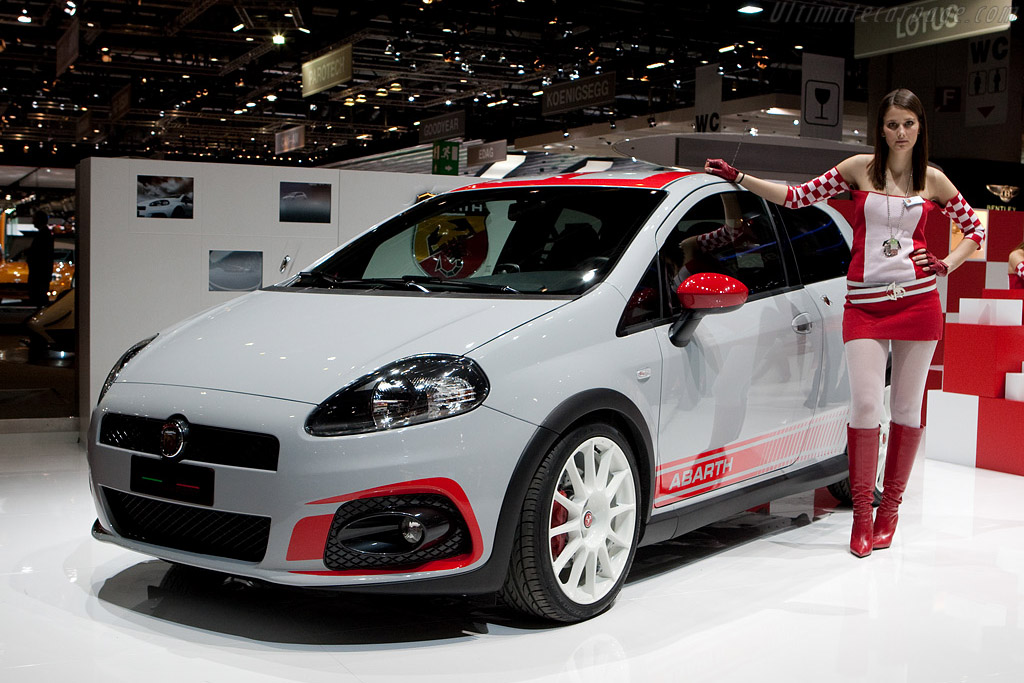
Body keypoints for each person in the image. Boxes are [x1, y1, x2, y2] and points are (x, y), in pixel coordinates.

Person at [705, 88, 985, 558]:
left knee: (907, 410)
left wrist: (945, 264)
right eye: (892, 124)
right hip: (864, 305)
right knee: (865, 406)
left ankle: (889, 512)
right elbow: (796, 198)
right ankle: (860, 517)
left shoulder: (933, 180)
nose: (900, 133)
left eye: (909, 124)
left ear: (921, 129)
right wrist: (742, 178)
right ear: (881, 128)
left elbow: (974, 229)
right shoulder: (859, 169)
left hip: (918, 303)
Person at [26, 210, 55, 310]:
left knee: (39, 296)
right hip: (41, 273)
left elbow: (42, 255)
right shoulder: (45, 234)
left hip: (39, 273)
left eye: (34, 219)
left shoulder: (43, 235)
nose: (32, 222)